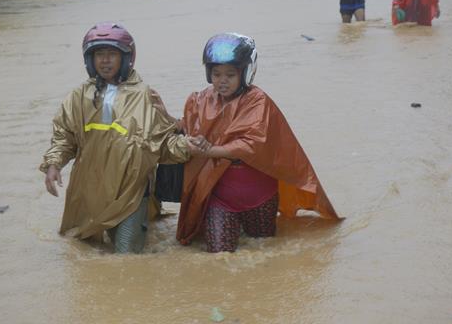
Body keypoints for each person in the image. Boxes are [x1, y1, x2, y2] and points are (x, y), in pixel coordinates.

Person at [154, 33, 342, 253]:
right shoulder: (201, 99)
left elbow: (251, 145)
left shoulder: (258, 101)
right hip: (220, 197)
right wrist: (166, 118)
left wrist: (212, 151)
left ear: (245, 73)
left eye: (230, 75)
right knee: (219, 256)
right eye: (216, 74)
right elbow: (189, 127)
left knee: (264, 250)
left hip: (260, 196)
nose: (222, 80)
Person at [40, 22, 201, 253]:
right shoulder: (78, 97)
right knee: (80, 250)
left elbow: (163, 143)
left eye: (112, 54)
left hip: (131, 190)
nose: (105, 61)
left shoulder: (145, 95)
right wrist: (53, 164)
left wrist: (188, 145)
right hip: (88, 190)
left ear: (126, 58)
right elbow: (64, 136)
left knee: (126, 257)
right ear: (90, 59)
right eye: (99, 55)